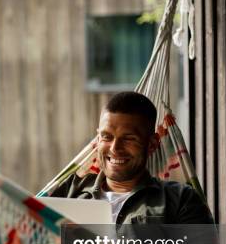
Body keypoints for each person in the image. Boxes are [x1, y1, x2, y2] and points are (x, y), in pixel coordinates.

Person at [50, 91, 213, 226]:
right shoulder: (68, 191)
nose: (115, 149)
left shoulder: (180, 201)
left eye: (128, 139)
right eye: (106, 136)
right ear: (98, 139)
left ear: (152, 144)